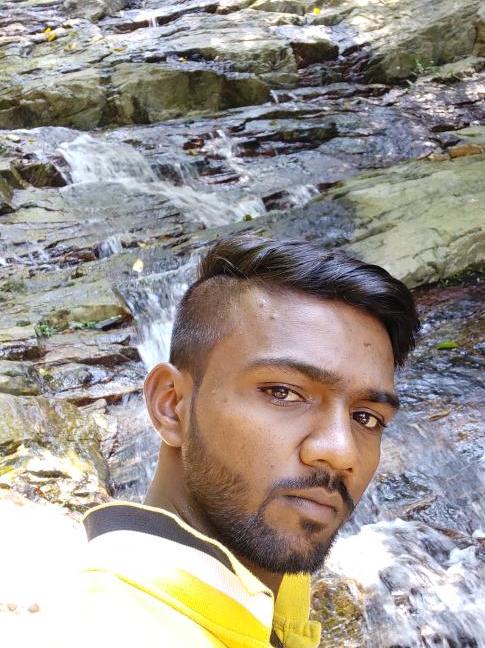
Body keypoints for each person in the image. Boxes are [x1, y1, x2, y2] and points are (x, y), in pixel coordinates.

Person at [80, 235, 419, 647]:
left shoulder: (272, 605)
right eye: (283, 393)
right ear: (171, 405)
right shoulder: (103, 626)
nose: (340, 451)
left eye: (366, 417)